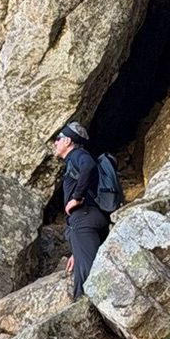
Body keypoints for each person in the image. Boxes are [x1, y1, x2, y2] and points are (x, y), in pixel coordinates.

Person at [52, 120, 110, 299]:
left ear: (68, 141)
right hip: (91, 220)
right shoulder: (74, 159)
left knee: (88, 271)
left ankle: (86, 308)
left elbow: (88, 165)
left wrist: (76, 197)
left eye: (58, 138)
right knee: (84, 266)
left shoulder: (78, 155)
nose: (55, 142)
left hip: (83, 219)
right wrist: (77, 249)